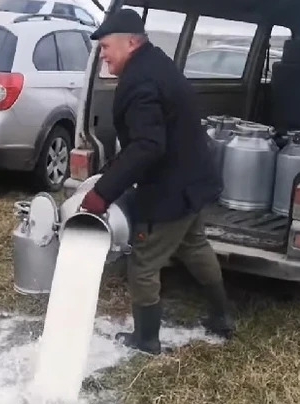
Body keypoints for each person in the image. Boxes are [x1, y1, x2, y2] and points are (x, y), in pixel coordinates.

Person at [79, 9, 237, 355]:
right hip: (193, 180)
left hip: (170, 188)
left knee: (144, 262)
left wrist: (103, 192)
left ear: (131, 42)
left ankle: (146, 340)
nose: (102, 55)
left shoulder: (140, 82)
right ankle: (222, 316)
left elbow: (148, 146)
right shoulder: (156, 63)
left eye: (106, 47)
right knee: (194, 245)